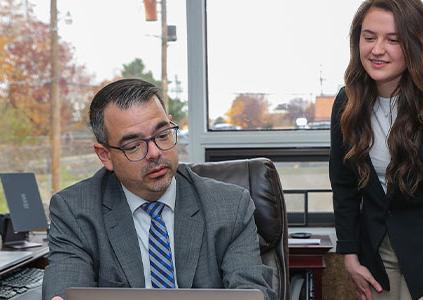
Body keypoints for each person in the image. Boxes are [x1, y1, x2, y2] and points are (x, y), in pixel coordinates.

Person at [42, 79, 275, 300]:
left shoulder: (230, 206)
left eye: (162, 135)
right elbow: (66, 286)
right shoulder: (75, 211)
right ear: (105, 155)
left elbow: (251, 290)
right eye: (133, 146)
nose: (155, 153)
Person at [329, 0, 423, 300]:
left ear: (415, 44)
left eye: (393, 40)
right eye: (369, 37)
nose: (377, 49)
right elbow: (344, 186)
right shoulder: (346, 104)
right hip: (378, 255)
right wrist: (349, 255)